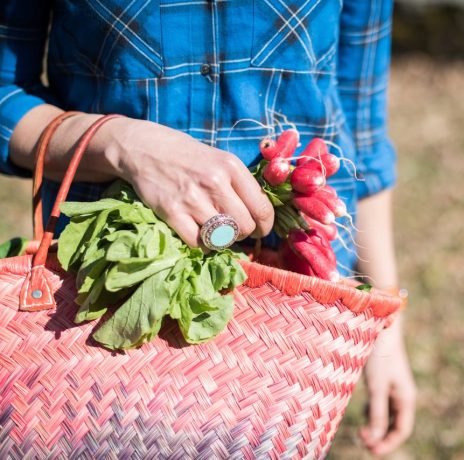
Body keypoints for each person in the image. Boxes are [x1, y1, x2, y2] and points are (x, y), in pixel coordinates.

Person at [0, 0, 416, 455]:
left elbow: (360, 132)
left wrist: (386, 328)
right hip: (108, 287)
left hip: (290, 319)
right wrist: (122, 144)